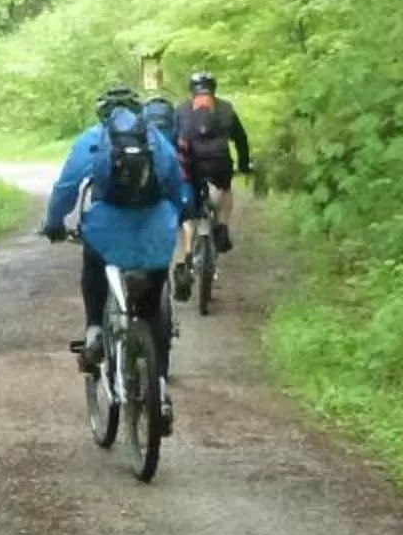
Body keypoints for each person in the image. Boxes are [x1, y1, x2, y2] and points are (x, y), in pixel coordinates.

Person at [45, 85, 187, 428]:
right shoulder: (154, 139)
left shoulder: (93, 139)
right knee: (153, 311)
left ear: (102, 114)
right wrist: (177, 218)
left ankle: (94, 329)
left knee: (93, 261)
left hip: (108, 230)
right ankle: (161, 391)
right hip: (155, 232)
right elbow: (176, 182)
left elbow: (66, 188)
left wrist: (53, 223)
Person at [173, 71, 252, 295]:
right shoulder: (226, 108)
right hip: (220, 165)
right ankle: (224, 226)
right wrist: (244, 165)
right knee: (225, 192)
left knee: (189, 216)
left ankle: (188, 253)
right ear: (214, 90)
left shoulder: (181, 110)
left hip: (190, 167)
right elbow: (241, 140)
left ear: (192, 91)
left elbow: (172, 139)